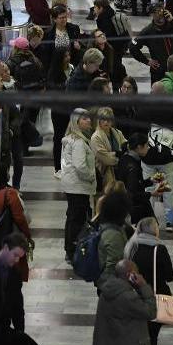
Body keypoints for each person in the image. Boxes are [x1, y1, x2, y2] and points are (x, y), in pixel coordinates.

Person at [124, 217, 172, 345]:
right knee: (152, 335)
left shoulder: (131, 248)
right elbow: (170, 276)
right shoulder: (159, 249)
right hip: (156, 297)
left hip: (136, 298)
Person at [92, 259, 156, 345]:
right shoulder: (128, 297)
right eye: (136, 273)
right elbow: (151, 312)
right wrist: (143, 286)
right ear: (130, 275)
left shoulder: (106, 291)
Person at [61, 108, 96, 262]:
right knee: (77, 219)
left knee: (72, 217)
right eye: (84, 119)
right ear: (76, 122)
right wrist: (91, 176)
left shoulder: (70, 138)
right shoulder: (79, 142)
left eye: (88, 118)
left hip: (72, 185)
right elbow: (80, 166)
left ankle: (69, 248)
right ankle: (72, 250)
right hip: (78, 185)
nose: (88, 121)